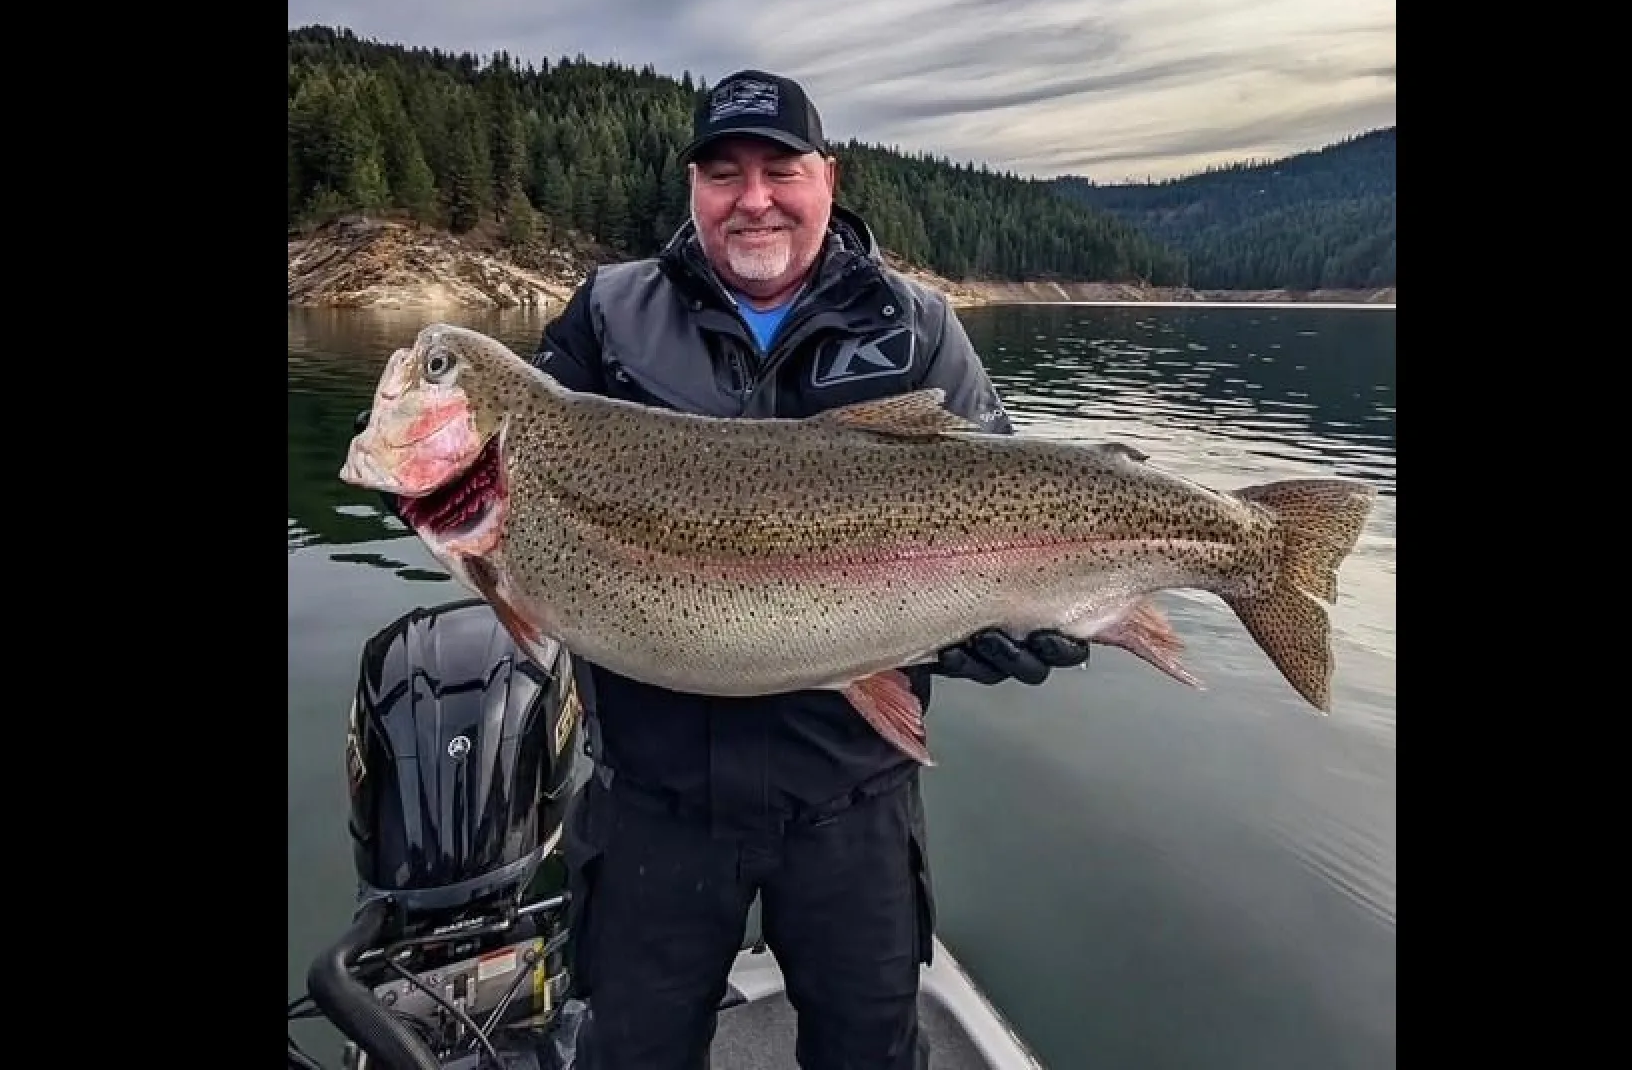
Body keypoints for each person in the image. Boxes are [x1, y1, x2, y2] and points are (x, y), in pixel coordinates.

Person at [367, 69, 1090, 1070]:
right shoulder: (609, 316)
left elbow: (1010, 487)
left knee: (872, 1053)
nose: (753, 197)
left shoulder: (919, 329)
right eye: (723, 172)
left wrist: (1009, 619)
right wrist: (453, 498)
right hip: (655, 797)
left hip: (853, 798)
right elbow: (531, 500)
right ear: (693, 188)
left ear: (826, 178)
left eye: (778, 168)